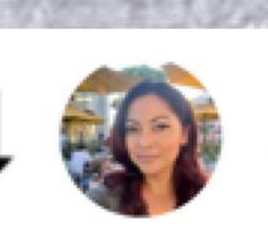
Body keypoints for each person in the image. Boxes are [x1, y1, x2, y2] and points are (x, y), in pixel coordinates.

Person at [89, 77, 210, 215]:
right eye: (133, 128)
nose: (144, 142)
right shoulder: (104, 200)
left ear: (184, 134)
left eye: (160, 126)